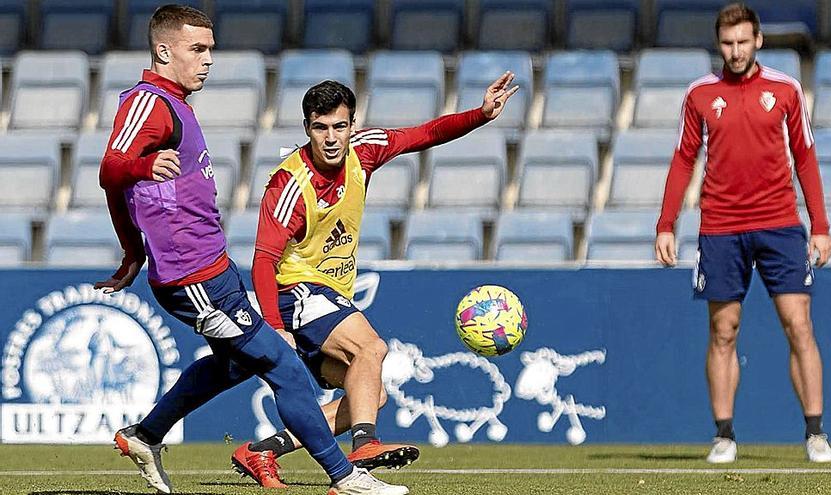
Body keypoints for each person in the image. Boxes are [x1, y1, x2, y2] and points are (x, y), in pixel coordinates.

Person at [97, 5, 408, 494]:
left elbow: (126, 187)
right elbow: (111, 170)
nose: (206, 61)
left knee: (235, 363)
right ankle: (345, 477)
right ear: (163, 50)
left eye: (210, 51)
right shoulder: (148, 102)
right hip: (190, 277)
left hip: (213, 269)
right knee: (284, 367)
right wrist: (139, 179)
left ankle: (146, 434)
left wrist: (132, 253)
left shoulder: (176, 104)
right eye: (197, 49)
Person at [230, 75, 519, 487]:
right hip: (296, 292)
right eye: (320, 127)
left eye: (339, 126)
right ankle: (363, 446)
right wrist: (276, 327)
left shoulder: (365, 149)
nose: (331, 137)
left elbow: (427, 133)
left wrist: (481, 115)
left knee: (369, 394)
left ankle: (261, 452)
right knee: (373, 348)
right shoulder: (289, 184)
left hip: (330, 295)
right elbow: (263, 260)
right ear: (307, 128)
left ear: (352, 124)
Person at [655, 2, 831, 464]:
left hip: (780, 226)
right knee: (723, 329)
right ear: (719, 44)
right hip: (720, 227)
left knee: (799, 325)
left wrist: (820, 226)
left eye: (742, 42)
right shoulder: (699, 94)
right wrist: (666, 223)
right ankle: (724, 436)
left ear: (758, 40)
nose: (735, 52)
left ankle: (815, 433)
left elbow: (806, 157)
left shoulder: (786, 89)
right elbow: (683, 159)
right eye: (727, 43)